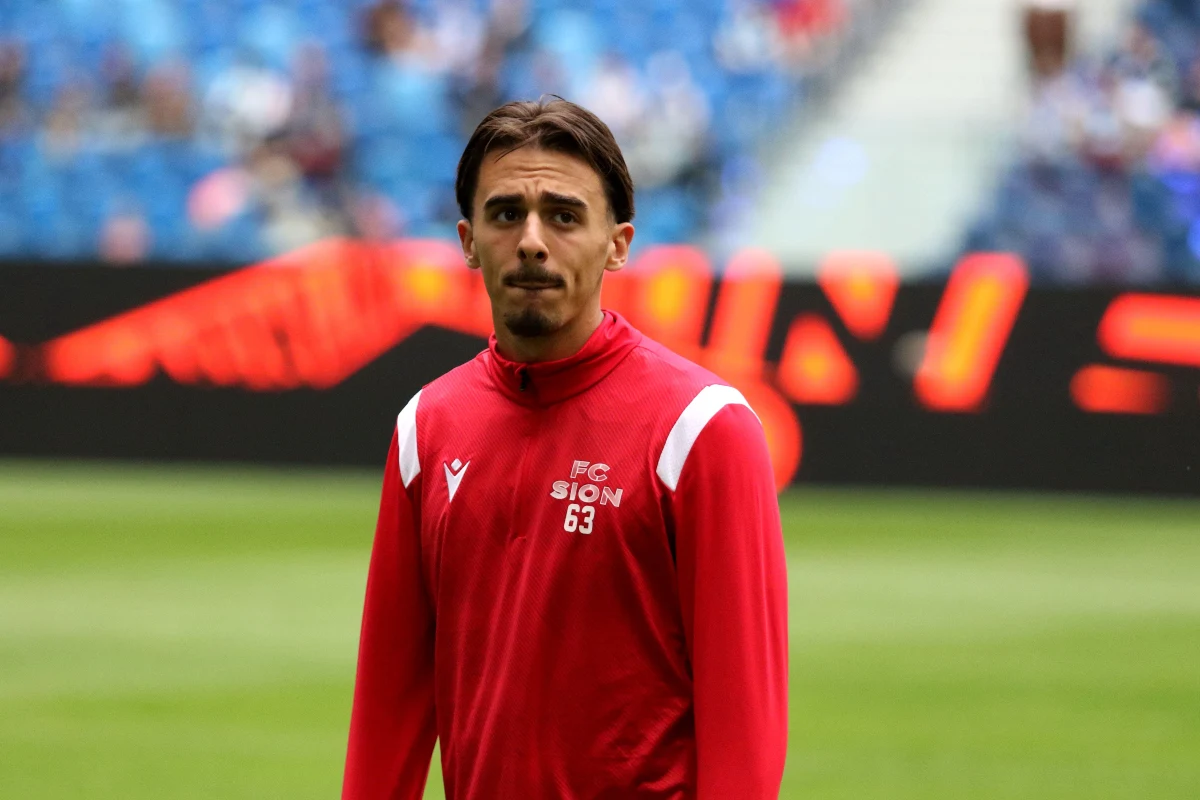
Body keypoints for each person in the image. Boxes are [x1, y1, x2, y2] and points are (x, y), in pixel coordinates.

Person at [342, 98, 788, 799]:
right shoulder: (424, 427)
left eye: (564, 215)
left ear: (618, 243)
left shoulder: (703, 428)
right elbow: (387, 707)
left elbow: (744, 730)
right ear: (467, 240)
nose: (531, 240)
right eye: (505, 214)